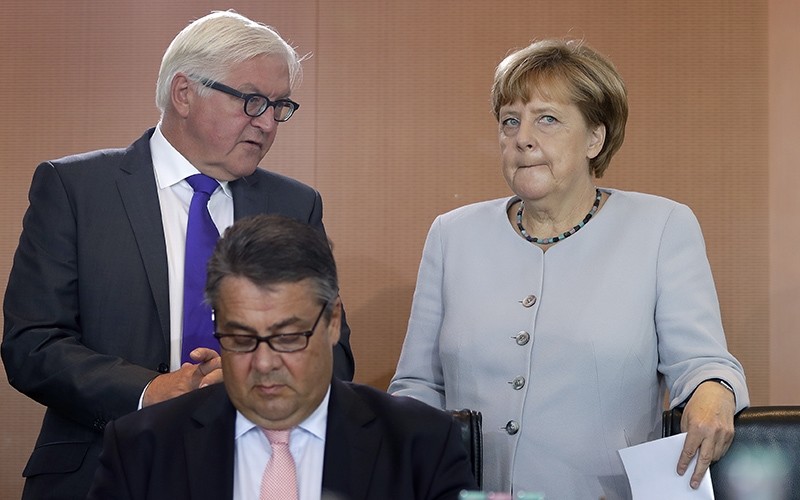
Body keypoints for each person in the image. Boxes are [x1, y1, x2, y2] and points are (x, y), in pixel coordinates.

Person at [2, 11, 354, 500]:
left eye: (280, 106)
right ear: (184, 93)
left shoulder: (294, 204)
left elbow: (333, 351)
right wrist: (153, 392)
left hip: (255, 471)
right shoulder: (76, 189)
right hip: (100, 468)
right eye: (252, 101)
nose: (268, 123)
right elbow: (32, 343)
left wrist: (253, 378)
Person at [388, 39, 749, 499]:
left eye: (548, 119)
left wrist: (715, 388)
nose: (522, 137)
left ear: (594, 139)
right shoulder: (451, 234)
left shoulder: (661, 226)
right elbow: (417, 384)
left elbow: (702, 363)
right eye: (510, 121)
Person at [87, 214, 477, 499]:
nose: (263, 363)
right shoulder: (143, 447)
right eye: (240, 338)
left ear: (333, 322)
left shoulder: (420, 443)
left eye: (288, 337)